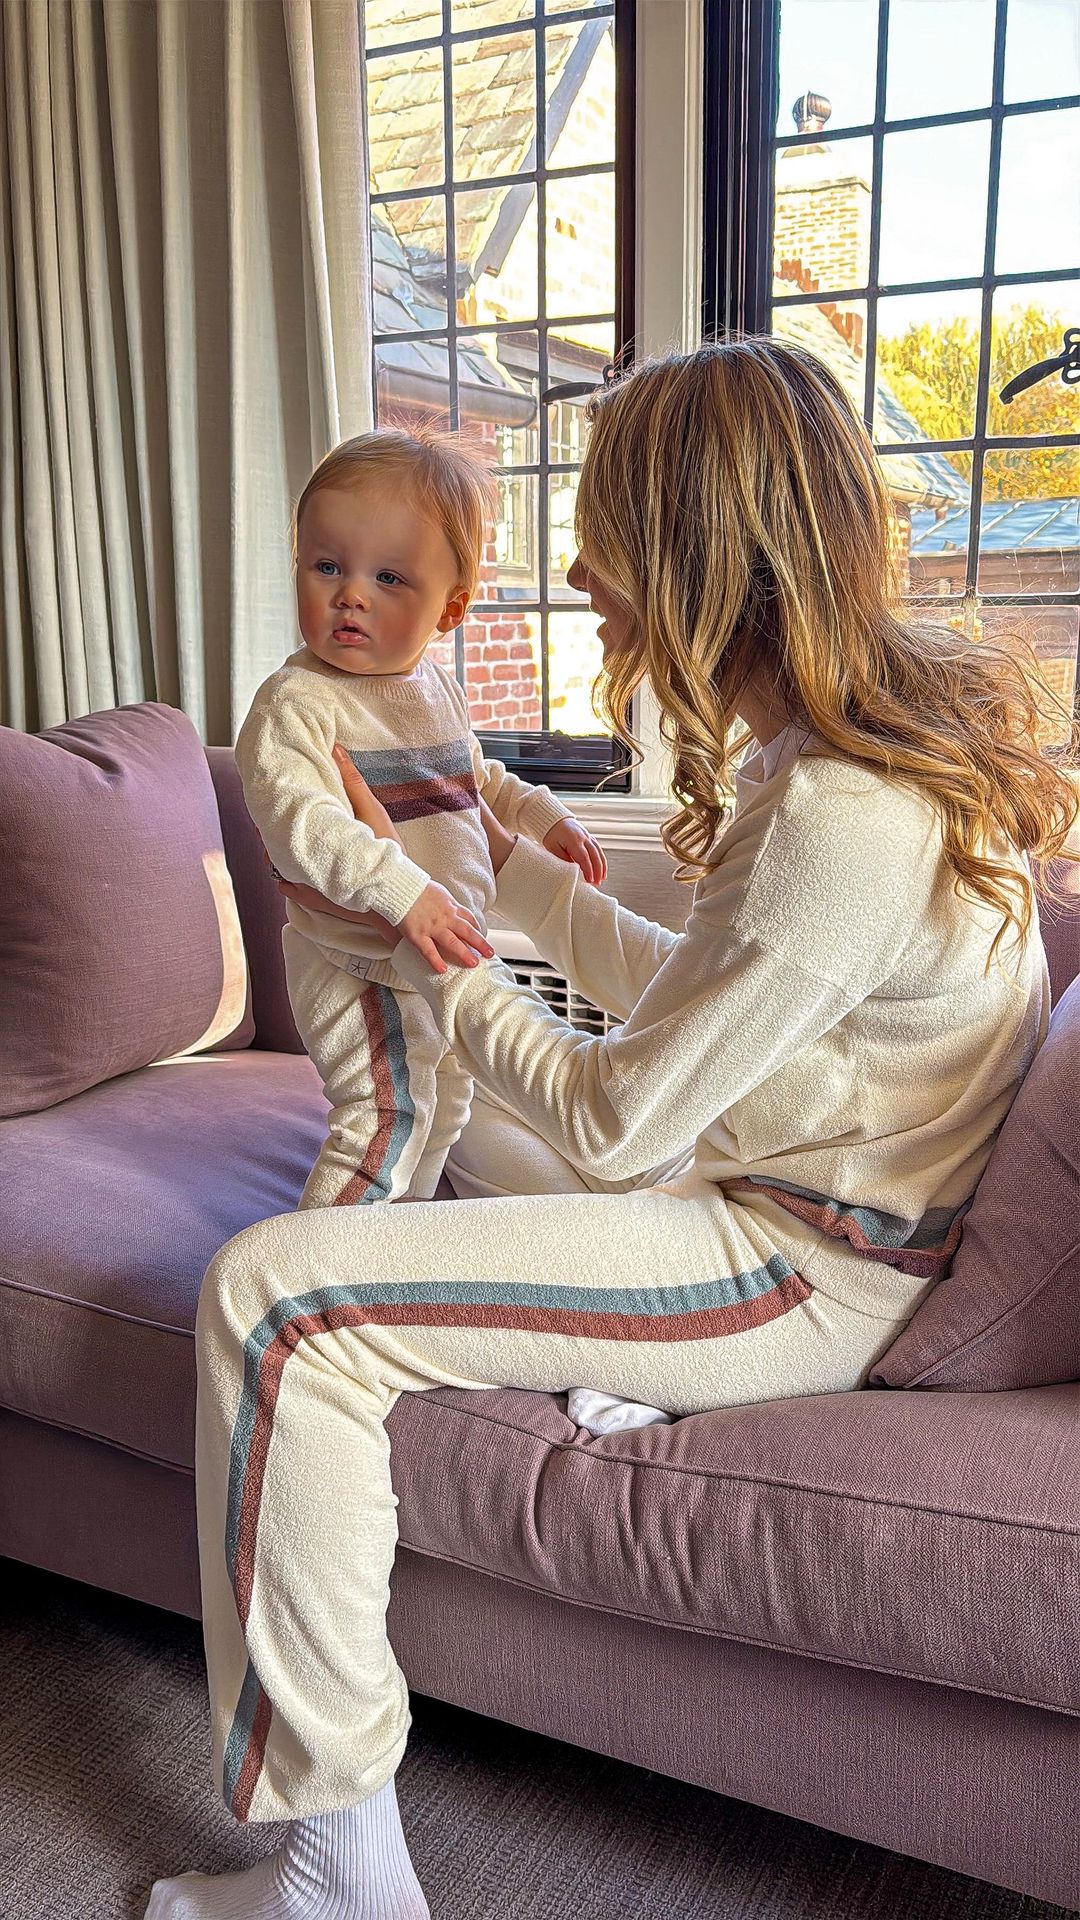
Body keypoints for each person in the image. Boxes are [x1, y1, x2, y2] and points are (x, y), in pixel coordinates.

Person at [145, 339, 1077, 1920]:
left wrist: (423, 944)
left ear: (701, 555)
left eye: (606, 533)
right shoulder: (836, 752)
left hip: (801, 1268)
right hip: (784, 1188)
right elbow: (698, 1016)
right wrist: (498, 869)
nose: (578, 571)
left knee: (272, 1295)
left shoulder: (843, 817)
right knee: (441, 1145)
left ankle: (334, 1865)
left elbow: (620, 1115)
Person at [234, 428, 606, 1213]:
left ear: (451, 609)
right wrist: (404, 894)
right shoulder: (296, 704)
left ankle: (394, 1245)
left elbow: (475, 775)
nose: (351, 594)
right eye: (326, 566)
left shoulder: (434, 690)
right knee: (382, 1120)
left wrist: (543, 816)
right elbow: (305, 825)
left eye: (389, 577)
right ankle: (312, 1266)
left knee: (446, 1106)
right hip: (360, 960)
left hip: (442, 958)